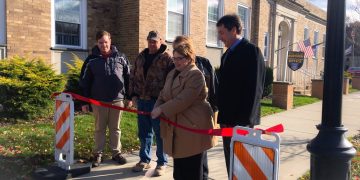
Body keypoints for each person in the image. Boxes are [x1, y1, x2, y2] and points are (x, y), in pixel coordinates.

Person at [151, 40, 216, 180]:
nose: (176, 62)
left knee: (192, 172)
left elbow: (183, 100)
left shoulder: (195, 74)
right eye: (174, 58)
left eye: (180, 58)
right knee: (179, 172)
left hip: (193, 129)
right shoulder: (172, 73)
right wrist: (157, 106)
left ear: (189, 57)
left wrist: (161, 109)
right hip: (178, 129)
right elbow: (163, 94)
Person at [216, 14, 265, 176]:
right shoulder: (226, 55)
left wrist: (244, 122)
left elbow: (255, 89)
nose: (220, 37)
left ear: (234, 30)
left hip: (241, 121)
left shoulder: (251, 51)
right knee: (231, 162)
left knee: (242, 164)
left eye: (222, 33)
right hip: (226, 120)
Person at [80, 30, 130, 167]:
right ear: (97, 43)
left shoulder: (121, 57)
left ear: (110, 41)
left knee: (115, 128)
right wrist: (84, 101)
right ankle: (98, 154)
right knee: (99, 128)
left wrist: (129, 97)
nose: (104, 45)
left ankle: (116, 153)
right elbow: (85, 81)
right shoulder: (91, 60)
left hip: (117, 100)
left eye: (106, 42)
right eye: (101, 42)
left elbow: (128, 77)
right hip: (98, 101)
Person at [172, 35, 218, 180]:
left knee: (199, 160)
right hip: (179, 121)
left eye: (181, 47)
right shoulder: (173, 67)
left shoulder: (204, 64)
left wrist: (214, 113)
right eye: (175, 49)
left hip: (198, 121)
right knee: (180, 161)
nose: (178, 52)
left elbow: (214, 90)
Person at [129, 30, 172, 176]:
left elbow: (170, 81)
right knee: (144, 133)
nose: (152, 44)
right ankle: (144, 159)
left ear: (161, 41)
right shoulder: (141, 57)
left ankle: (161, 162)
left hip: (157, 102)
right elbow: (133, 76)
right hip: (142, 100)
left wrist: (165, 101)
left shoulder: (167, 59)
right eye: (150, 41)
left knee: (160, 133)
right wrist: (133, 95)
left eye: (154, 41)